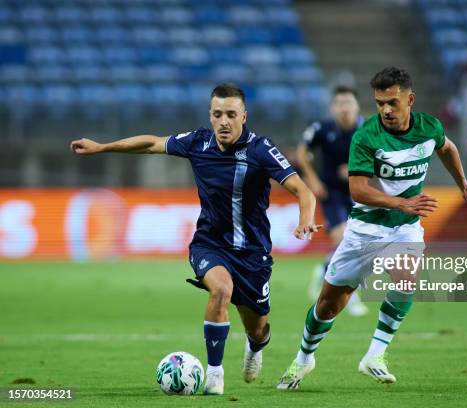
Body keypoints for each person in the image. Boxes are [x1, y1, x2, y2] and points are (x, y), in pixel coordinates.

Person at [70, 83, 320, 395]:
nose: (224, 121)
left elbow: (302, 190)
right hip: (209, 244)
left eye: (231, 114)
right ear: (210, 116)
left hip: (252, 254)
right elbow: (152, 143)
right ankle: (215, 375)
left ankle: (255, 348)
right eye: (218, 114)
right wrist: (102, 147)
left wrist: (306, 220)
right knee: (221, 290)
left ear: (244, 115)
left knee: (258, 329)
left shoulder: (260, 150)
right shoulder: (198, 142)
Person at [277, 67, 467, 389]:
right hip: (365, 229)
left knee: (406, 281)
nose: (386, 110)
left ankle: (374, 355)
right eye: (379, 104)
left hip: (404, 228)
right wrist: (402, 202)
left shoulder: (429, 126)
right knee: (329, 303)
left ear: (410, 99)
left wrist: (464, 186)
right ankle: (304, 358)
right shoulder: (366, 136)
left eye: (392, 102)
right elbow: (358, 190)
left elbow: (447, 148)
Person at [295, 85, 368, 317]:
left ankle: (325, 269)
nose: (344, 108)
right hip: (332, 194)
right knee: (345, 239)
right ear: (333, 107)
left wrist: (358, 170)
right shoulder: (322, 128)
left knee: (356, 243)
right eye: (339, 103)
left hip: (360, 191)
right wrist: (313, 180)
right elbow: (301, 153)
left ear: (357, 106)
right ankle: (351, 294)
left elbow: (382, 156)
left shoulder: (368, 129)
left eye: (348, 103)